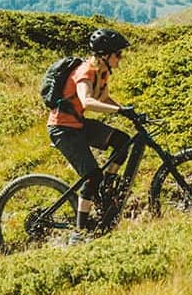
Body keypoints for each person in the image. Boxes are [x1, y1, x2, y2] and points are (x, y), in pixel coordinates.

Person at [48, 29, 142, 230]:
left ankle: (106, 188)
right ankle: (80, 230)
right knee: (92, 176)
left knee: (122, 141)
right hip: (62, 129)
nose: (121, 58)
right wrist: (119, 110)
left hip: (78, 124)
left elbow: (103, 98)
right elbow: (87, 101)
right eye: (118, 54)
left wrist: (126, 111)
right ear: (105, 55)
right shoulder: (85, 72)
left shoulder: (103, 72)